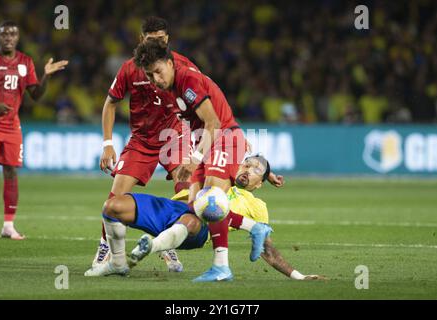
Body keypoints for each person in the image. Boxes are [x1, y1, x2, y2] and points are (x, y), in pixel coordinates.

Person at [134, 40, 283, 282]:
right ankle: (246, 236)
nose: (155, 79)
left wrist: (194, 158)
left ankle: (224, 263)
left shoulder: (186, 80)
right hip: (209, 140)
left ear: (170, 63)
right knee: (197, 205)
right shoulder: (171, 85)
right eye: (149, 75)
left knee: (213, 199)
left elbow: (214, 123)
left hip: (222, 137)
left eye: (158, 72)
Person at [85, 155, 324, 281]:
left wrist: (298, 276)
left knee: (196, 218)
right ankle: (117, 263)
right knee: (113, 206)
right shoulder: (221, 171)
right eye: (246, 164)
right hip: (170, 209)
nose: (248, 170)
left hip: (196, 230)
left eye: (256, 171)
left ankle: (153, 246)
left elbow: (267, 251)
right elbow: (224, 141)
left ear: (260, 184)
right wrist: (266, 170)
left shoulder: (256, 206)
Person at [90, 17, 199, 272]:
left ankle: (166, 244)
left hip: (175, 136)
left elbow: (204, 97)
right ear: (142, 40)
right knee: (115, 199)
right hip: (141, 139)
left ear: (167, 40)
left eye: (161, 40)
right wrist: (107, 144)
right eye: (151, 40)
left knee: (185, 192)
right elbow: (110, 103)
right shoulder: (129, 69)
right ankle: (105, 248)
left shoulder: (181, 65)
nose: (157, 44)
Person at [0, 21, 68, 240]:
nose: (8, 38)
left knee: (11, 171)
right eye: (4, 34)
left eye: (13, 34)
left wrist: (47, 75)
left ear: (17, 37)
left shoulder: (26, 62)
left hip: (12, 125)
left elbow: (36, 95)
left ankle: (8, 225)